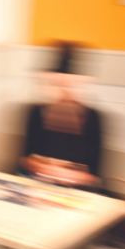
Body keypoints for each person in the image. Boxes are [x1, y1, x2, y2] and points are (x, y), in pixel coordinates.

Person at [19, 41, 103, 192]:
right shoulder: (35, 112)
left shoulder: (94, 118)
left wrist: (62, 175)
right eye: (56, 84)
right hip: (37, 186)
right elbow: (25, 159)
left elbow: (94, 176)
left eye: (69, 85)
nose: (63, 92)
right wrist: (43, 170)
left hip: (77, 191)